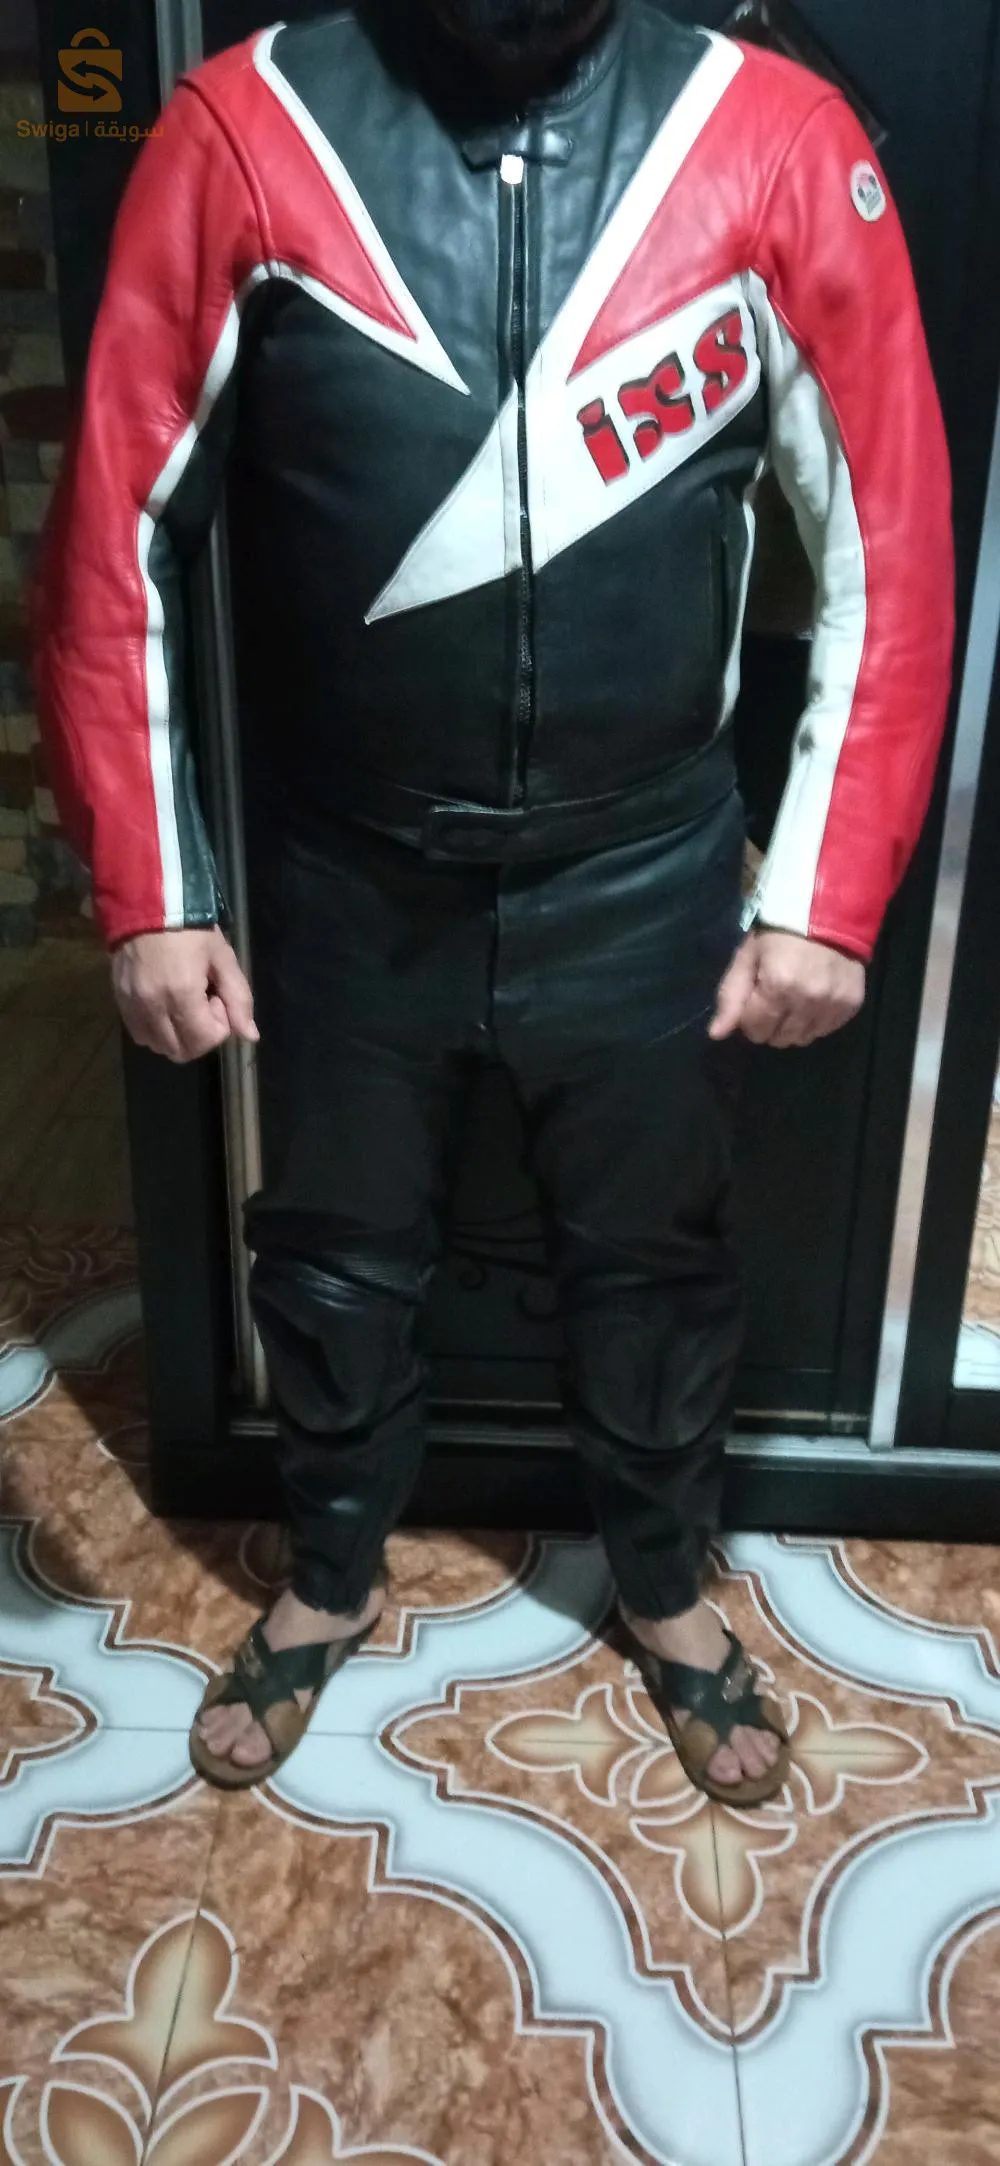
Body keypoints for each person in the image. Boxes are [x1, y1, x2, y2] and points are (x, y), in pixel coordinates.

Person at [32, 0, 953, 1805]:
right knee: (331, 1262)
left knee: (658, 1269)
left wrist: (827, 894)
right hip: (345, 874)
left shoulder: (774, 137)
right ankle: (329, 1570)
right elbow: (113, 533)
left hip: (648, 872)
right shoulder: (242, 127)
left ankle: (668, 1587)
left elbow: (893, 544)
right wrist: (149, 887)